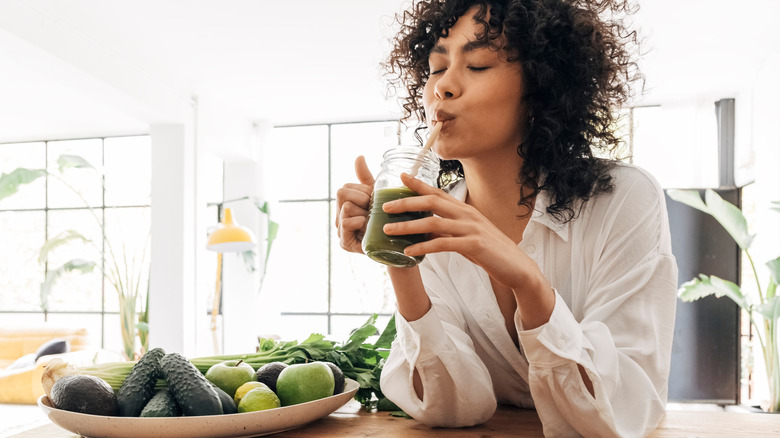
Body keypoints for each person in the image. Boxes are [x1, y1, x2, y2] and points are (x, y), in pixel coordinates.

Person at [336, 0, 677, 436]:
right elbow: (453, 408)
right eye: (437, 68)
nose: (444, 87)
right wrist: (397, 252)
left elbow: (627, 408)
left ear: (541, 88)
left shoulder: (621, 198)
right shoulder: (432, 216)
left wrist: (529, 283)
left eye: (477, 65)